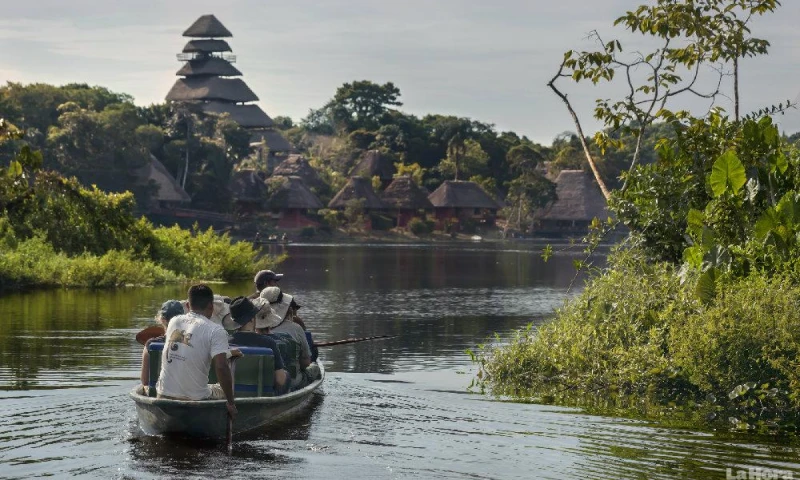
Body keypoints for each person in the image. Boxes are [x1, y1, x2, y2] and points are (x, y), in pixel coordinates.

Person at [156, 284, 237, 420]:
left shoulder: (174, 321)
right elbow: (221, 367)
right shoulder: (216, 330)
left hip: (163, 394)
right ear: (211, 306)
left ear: (187, 305)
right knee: (223, 388)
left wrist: (228, 352)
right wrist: (231, 402)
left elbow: (188, 346)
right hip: (195, 398)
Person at [260, 286, 320, 388]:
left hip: (263, 381)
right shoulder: (296, 328)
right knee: (315, 367)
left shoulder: (254, 329)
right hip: (292, 382)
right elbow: (305, 362)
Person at [228, 296, 289, 392]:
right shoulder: (269, 343)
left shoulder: (226, 343)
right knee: (285, 375)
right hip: (263, 394)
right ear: (252, 319)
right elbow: (280, 381)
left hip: (231, 393)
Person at [139, 299, 184, 388]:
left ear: (162, 319)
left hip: (160, 392)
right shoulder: (193, 343)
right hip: (187, 391)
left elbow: (145, 381)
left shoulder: (151, 345)